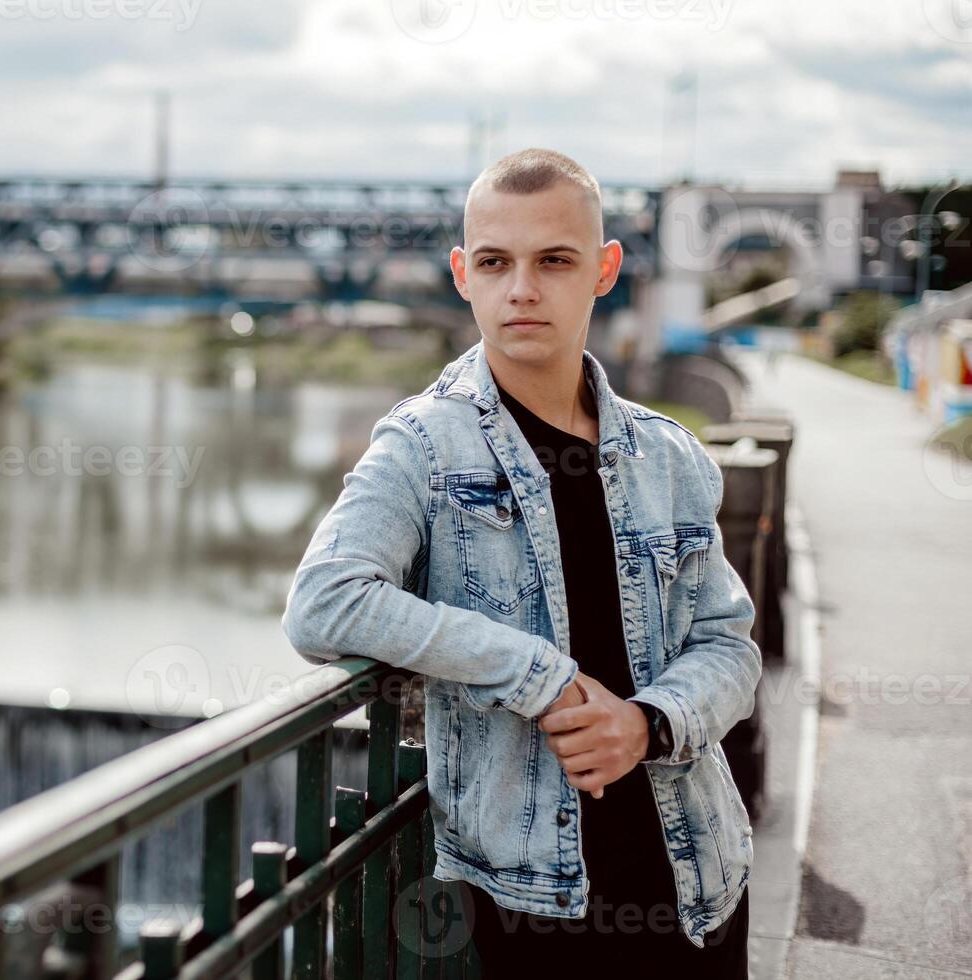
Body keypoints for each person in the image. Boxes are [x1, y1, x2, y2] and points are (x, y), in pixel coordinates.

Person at [281, 148, 760, 975]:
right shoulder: (423, 445)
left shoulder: (670, 456)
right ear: (463, 274)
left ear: (604, 270)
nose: (523, 289)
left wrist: (642, 725)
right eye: (497, 263)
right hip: (526, 907)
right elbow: (324, 602)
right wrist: (533, 671)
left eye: (554, 261)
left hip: (697, 884)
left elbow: (731, 648)